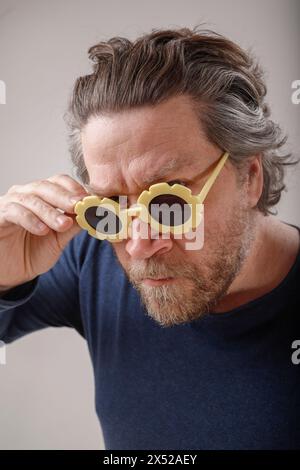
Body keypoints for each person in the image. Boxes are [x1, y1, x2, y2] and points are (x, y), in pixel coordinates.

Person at [0, 26, 299, 450]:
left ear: (249, 177)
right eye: (112, 206)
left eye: (169, 201)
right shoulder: (90, 255)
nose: (138, 245)